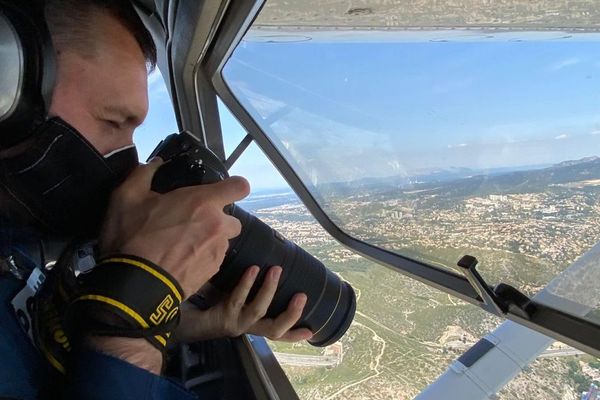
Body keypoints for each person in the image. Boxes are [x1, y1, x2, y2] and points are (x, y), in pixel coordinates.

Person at [0, 1, 312, 398]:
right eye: (113, 122)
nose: (131, 166)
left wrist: (175, 322)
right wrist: (128, 333)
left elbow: (42, 349)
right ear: (7, 83)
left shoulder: (15, 246)